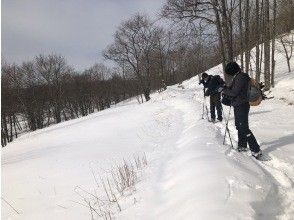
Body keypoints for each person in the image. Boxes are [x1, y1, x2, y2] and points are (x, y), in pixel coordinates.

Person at [222, 62, 262, 159]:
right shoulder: (238, 76)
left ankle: (256, 150)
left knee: (243, 127)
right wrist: (225, 87)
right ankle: (242, 145)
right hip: (238, 105)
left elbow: (234, 92)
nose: (229, 74)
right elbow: (234, 89)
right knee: (239, 126)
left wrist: (223, 90)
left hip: (242, 105)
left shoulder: (241, 77)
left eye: (229, 72)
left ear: (232, 70)